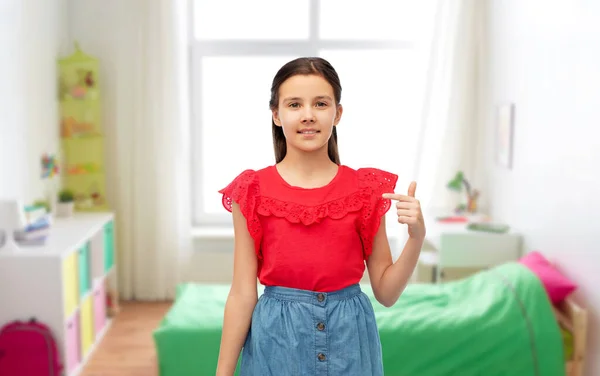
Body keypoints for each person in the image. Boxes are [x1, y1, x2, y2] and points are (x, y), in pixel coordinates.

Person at [215, 57, 426, 376]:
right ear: (276, 114)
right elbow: (243, 293)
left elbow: (386, 292)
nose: (308, 115)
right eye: (295, 104)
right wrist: (223, 372)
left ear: (337, 113)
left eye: (321, 104)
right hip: (276, 347)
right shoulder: (252, 190)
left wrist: (416, 237)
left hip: (350, 346)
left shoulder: (365, 190)